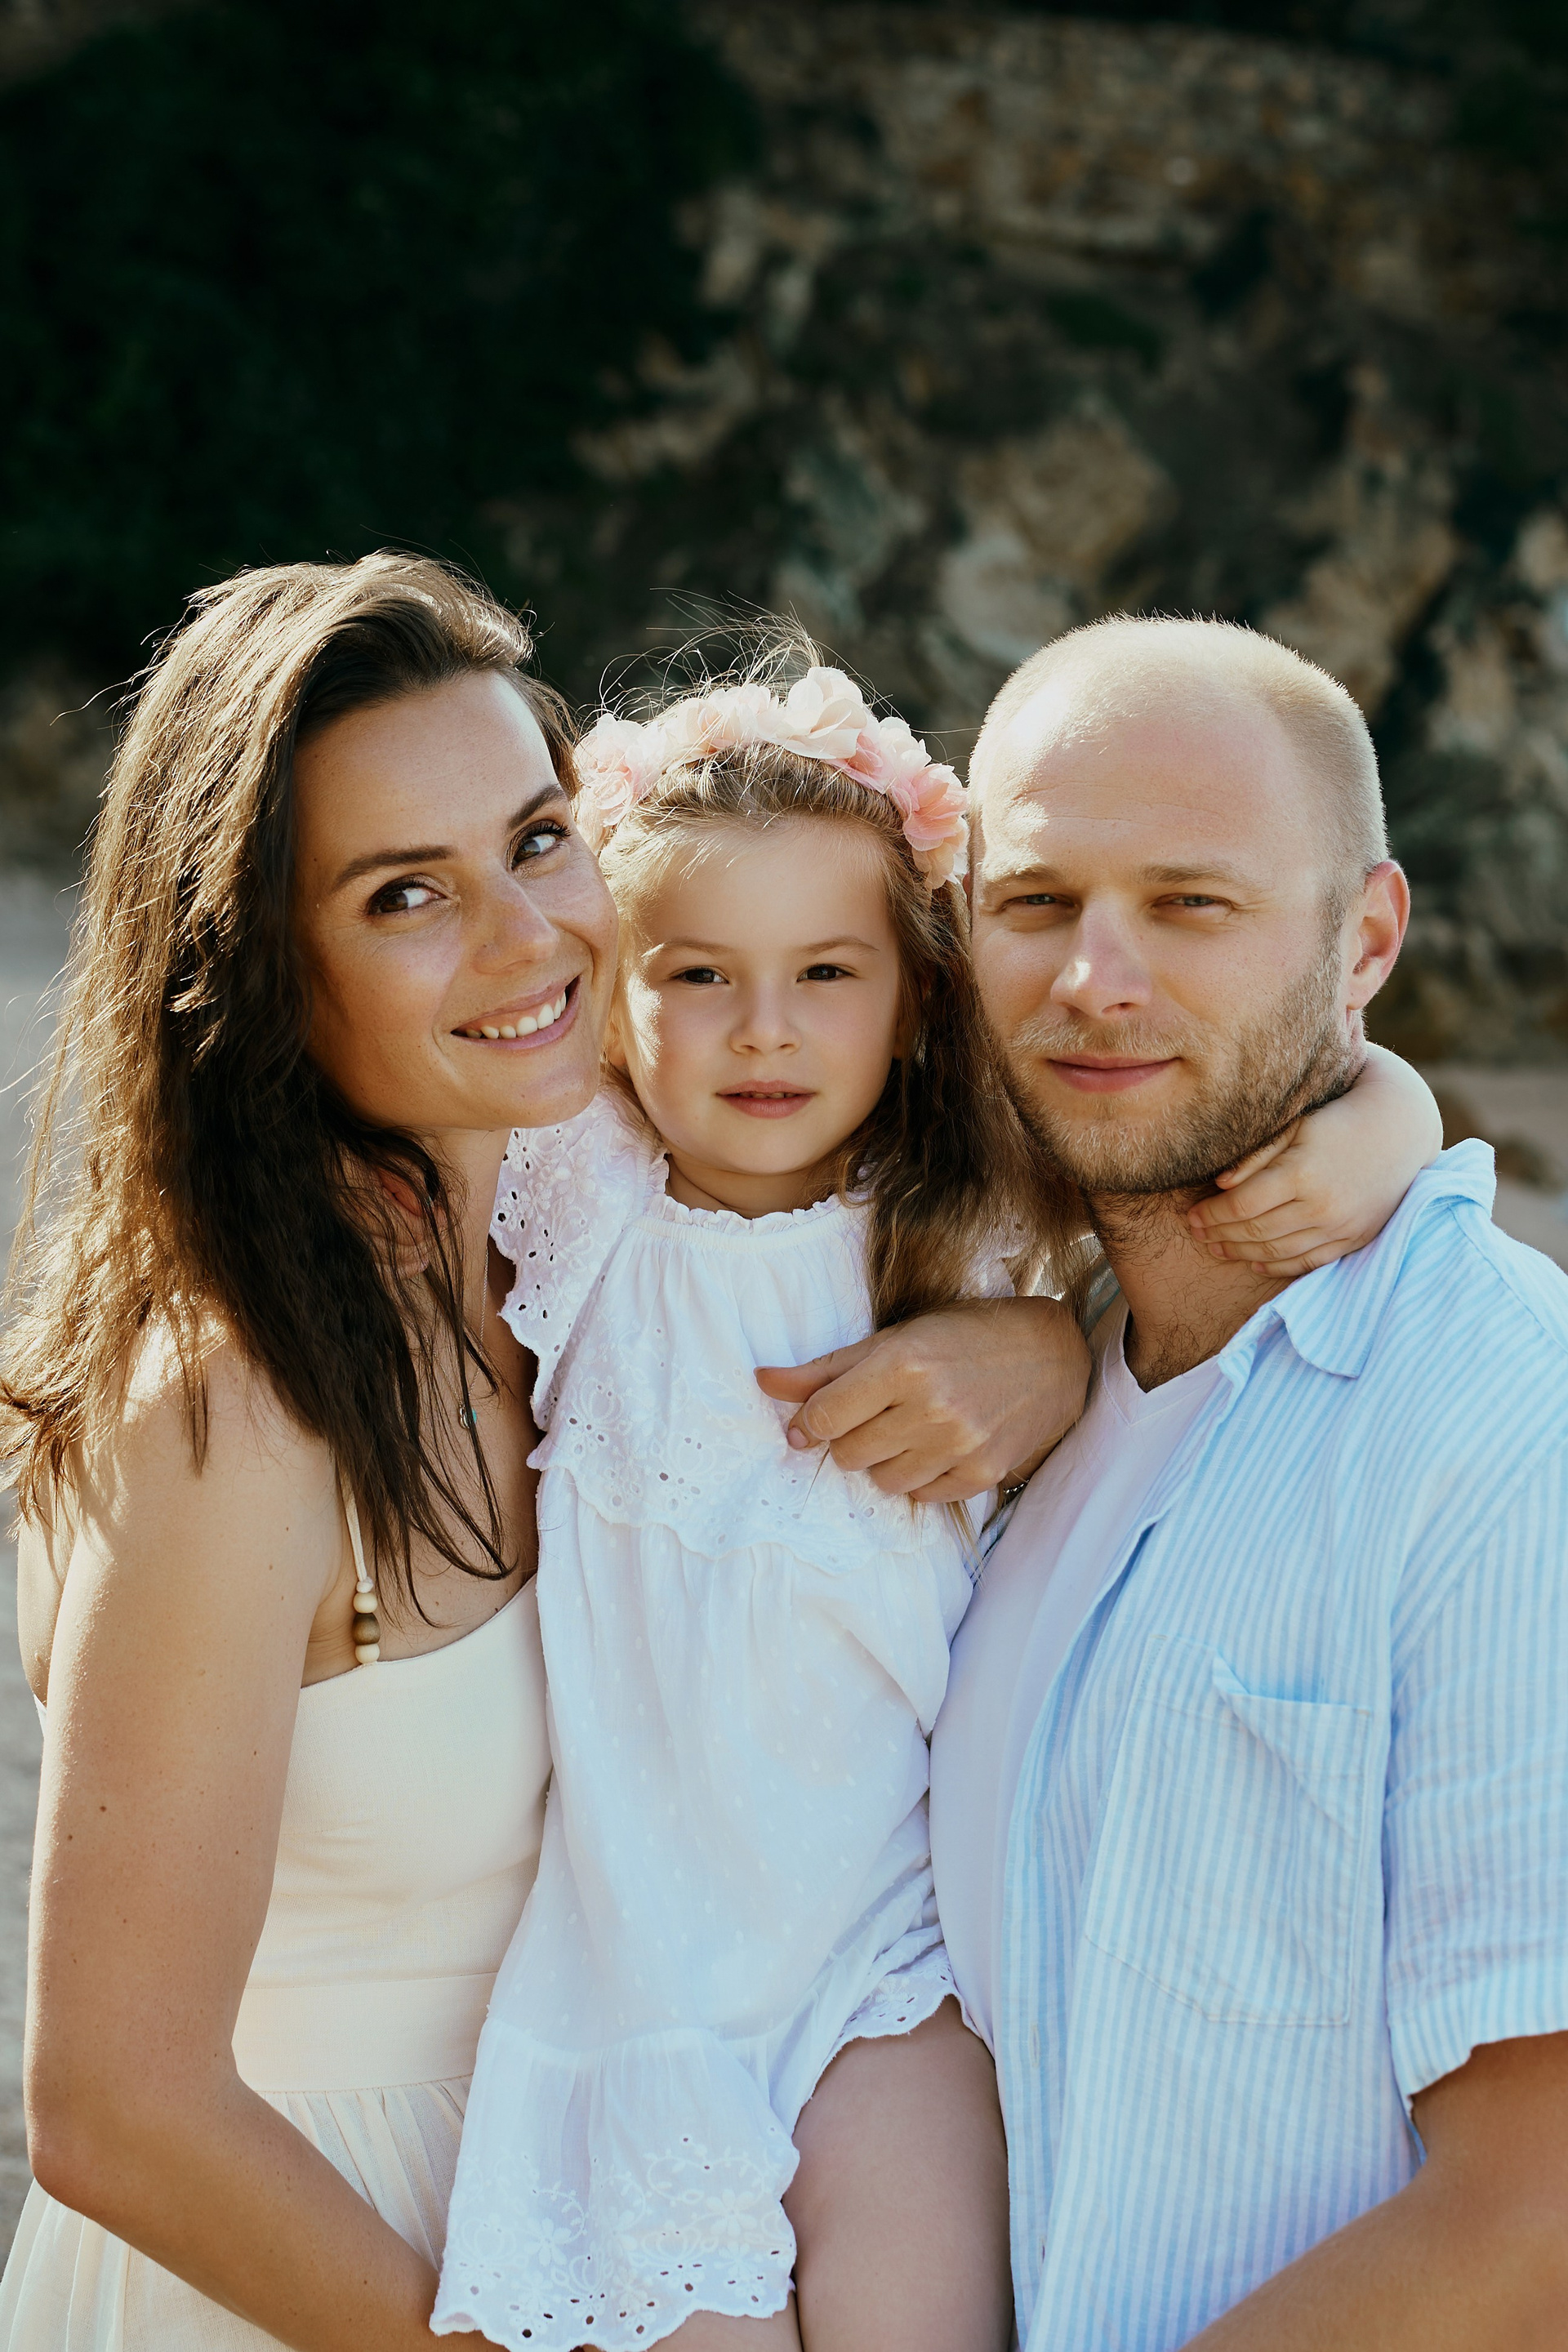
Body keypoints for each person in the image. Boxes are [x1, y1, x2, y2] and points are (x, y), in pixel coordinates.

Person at [0, 559, 1082, 2352]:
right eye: (406, 893)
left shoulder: (573, 1240)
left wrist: (1043, 1348)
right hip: (310, 2279)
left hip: (626, 2185)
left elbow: (1162, 1118)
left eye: (537, 840)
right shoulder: (231, 1407)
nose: (528, 939)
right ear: (256, 961)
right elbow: (117, 2114)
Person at [431, 644, 1441, 2352]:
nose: (764, 1027)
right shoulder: (575, 1205)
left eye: (827, 972)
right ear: (613, 998)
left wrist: (1384, 1126)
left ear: (917, 997)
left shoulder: (969, 1219)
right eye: (698, 974)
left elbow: (1248, 1116)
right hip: (636, 1989)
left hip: (891, 1976)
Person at [929, 614, 1568, 2352]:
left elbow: (1541, 2219)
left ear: (1366, 938)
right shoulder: (994, 1400)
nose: (1094, 977)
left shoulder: (1504, 1427)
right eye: (1036, 900)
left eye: (1191, 903)